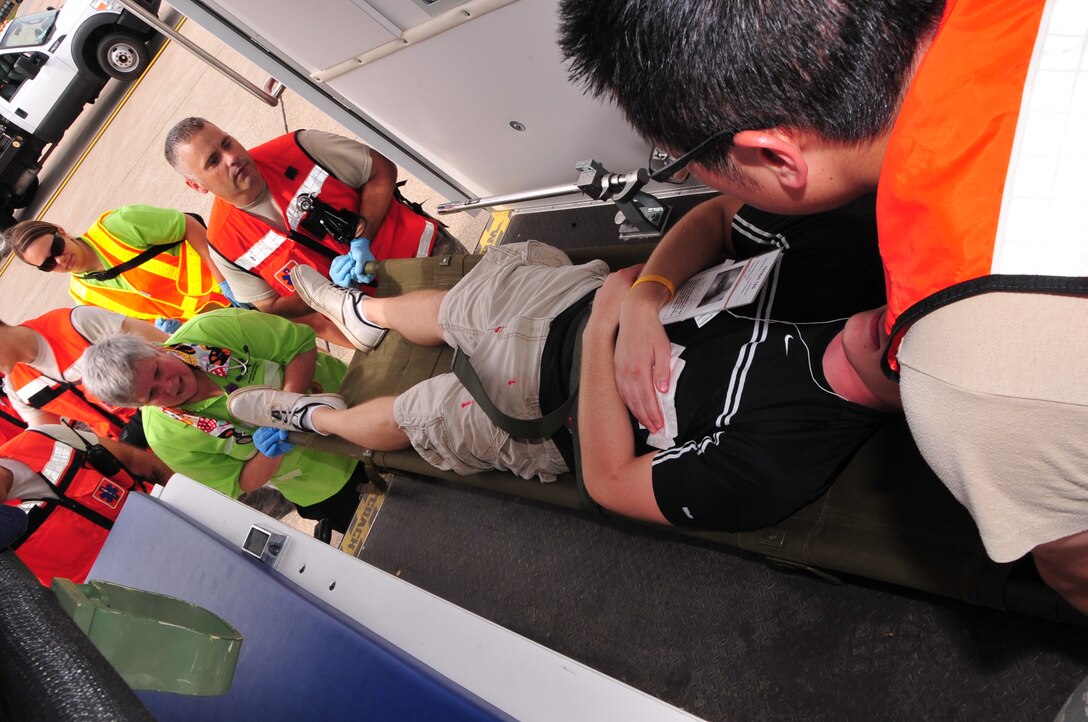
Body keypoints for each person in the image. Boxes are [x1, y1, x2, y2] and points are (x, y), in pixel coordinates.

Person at [558, 0, 1088, 612]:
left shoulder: (969, 376)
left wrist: (608, 318)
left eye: (681, 164)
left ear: (779, 157)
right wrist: (645, 297)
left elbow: (1076, 573)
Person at [226, 224, 895, 531]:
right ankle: (358, 310)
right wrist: (645, 294)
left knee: (419, 413)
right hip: (569, 304)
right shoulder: (846, 271)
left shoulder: (779, 461)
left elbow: (609, 485)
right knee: (463, 307)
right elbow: (722, 214)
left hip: (548, 409)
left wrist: (611, 319)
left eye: (906, 356)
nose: (896, 330)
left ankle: (313, 417)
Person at [162, 117, 461, 347]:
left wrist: (362, 237)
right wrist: (324, 286)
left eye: (227, 143)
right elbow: (270, 305)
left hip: (430, 257)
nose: (231, 158)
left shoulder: (300, 148)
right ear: (196, 185)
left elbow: (380, 170)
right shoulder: (223, 243)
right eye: (213, 161)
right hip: (379, 316)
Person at [81, 308, 367, 533]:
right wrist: (269, 456)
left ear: (156, 349)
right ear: (138, 406)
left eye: (157, 371)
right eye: (152, 394)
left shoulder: (211, 329)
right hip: (325, 483)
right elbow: (239, 482)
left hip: (357, 400)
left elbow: (300, 345)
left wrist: (286, 408)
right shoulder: (165, 438)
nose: (169, 386)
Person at [4, 205, 231, 331]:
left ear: (60, 230)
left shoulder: (119, 225)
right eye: (47, 264)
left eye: (56, 247)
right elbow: (132, 330)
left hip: (234, 289)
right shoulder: (83, 297)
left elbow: (190, 225)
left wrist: (226, 281)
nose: (60, 260)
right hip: (206, 330)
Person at [1, 424, 171, 585]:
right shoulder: (6, 539)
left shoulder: (41, 439)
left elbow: (137, 461)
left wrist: (189, 494)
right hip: (140, 596)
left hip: (175, 529)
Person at [0, 308, 166, 443]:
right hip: (141, 449)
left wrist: (142, 421)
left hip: (170, 409)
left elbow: (167, 347)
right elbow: (51, 440)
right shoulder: (17, 389)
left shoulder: (76, 323)